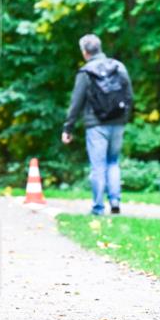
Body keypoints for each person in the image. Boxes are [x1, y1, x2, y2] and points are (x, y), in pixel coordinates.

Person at [60, 34, 133, 216]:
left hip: (96, 125)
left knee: (98, 166)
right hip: (118, 122)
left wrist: (68, 128)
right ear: (100, 48)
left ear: (84, 52)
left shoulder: (86, 72)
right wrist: (124, 116)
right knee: (113, 162)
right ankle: (115, 202)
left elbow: (76, 102)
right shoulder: (119, 66)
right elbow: (129, 95)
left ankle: (98, 207)